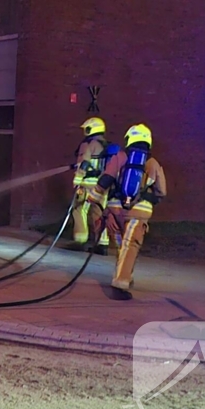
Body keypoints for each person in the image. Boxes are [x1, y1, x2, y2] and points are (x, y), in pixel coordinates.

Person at [86, 123, 167, 291]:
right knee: (130, 246)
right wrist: (148, 199)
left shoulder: (120, 157)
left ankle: (124, 276)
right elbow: (161, 192)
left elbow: (105, 179)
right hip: (139, 212)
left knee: (120, 246)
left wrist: (93, 197)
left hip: (115, 210)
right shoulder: (153, 163)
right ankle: (121, 281)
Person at [70, 117, 111, 252]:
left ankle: (80, 240)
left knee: (79, 209)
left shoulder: (88, 144)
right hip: (103, 184)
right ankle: (102, 243)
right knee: (99, 212)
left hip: (88, 183)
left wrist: (77, 178)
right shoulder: (106, 145)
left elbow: (85, 162)